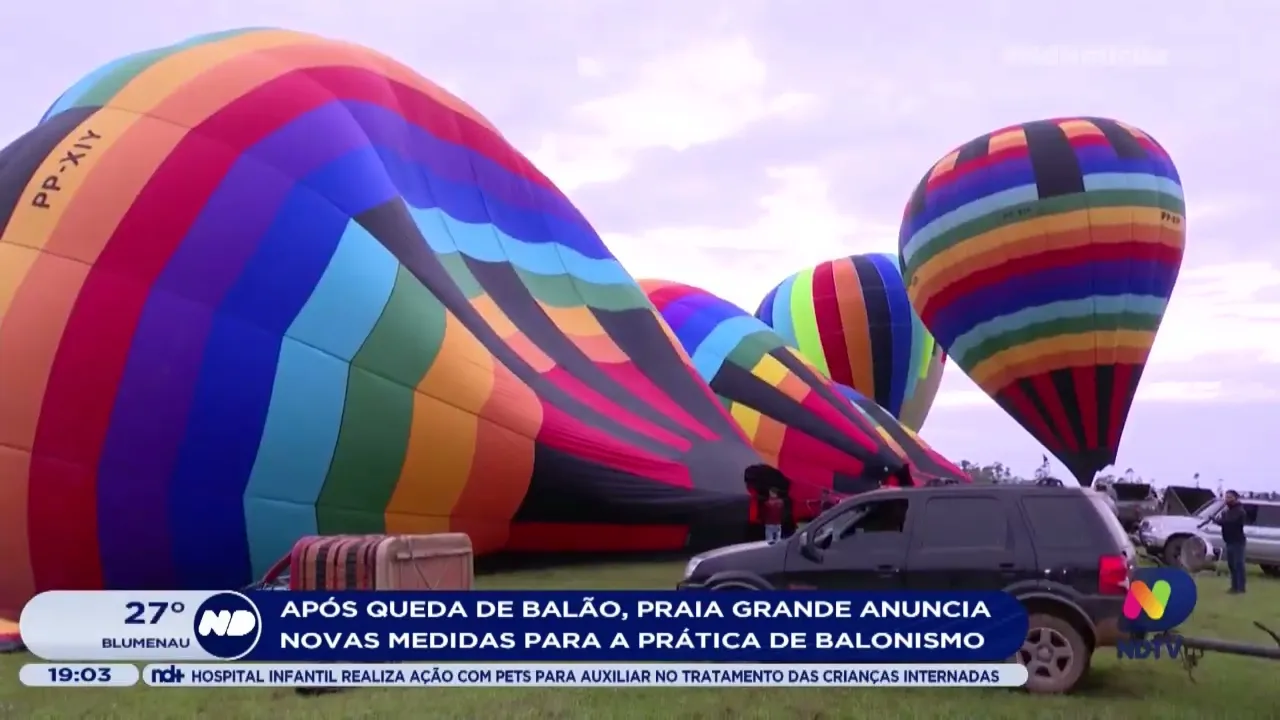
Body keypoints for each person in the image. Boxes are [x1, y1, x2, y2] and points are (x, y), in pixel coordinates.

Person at [1201, 490, 1248, 594]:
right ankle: (1234, 587)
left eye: (1230, 497)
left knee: (1238, 565)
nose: (1227, 499)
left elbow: (1229, 522)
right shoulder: (1227, 511)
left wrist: (1216, 520)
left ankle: (1240, 588)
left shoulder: (1239, 511)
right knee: (1232, 565)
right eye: (1226, 497)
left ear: (1236, 498)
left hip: (1238, 542)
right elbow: (1224, 521)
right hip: (1229, 541)